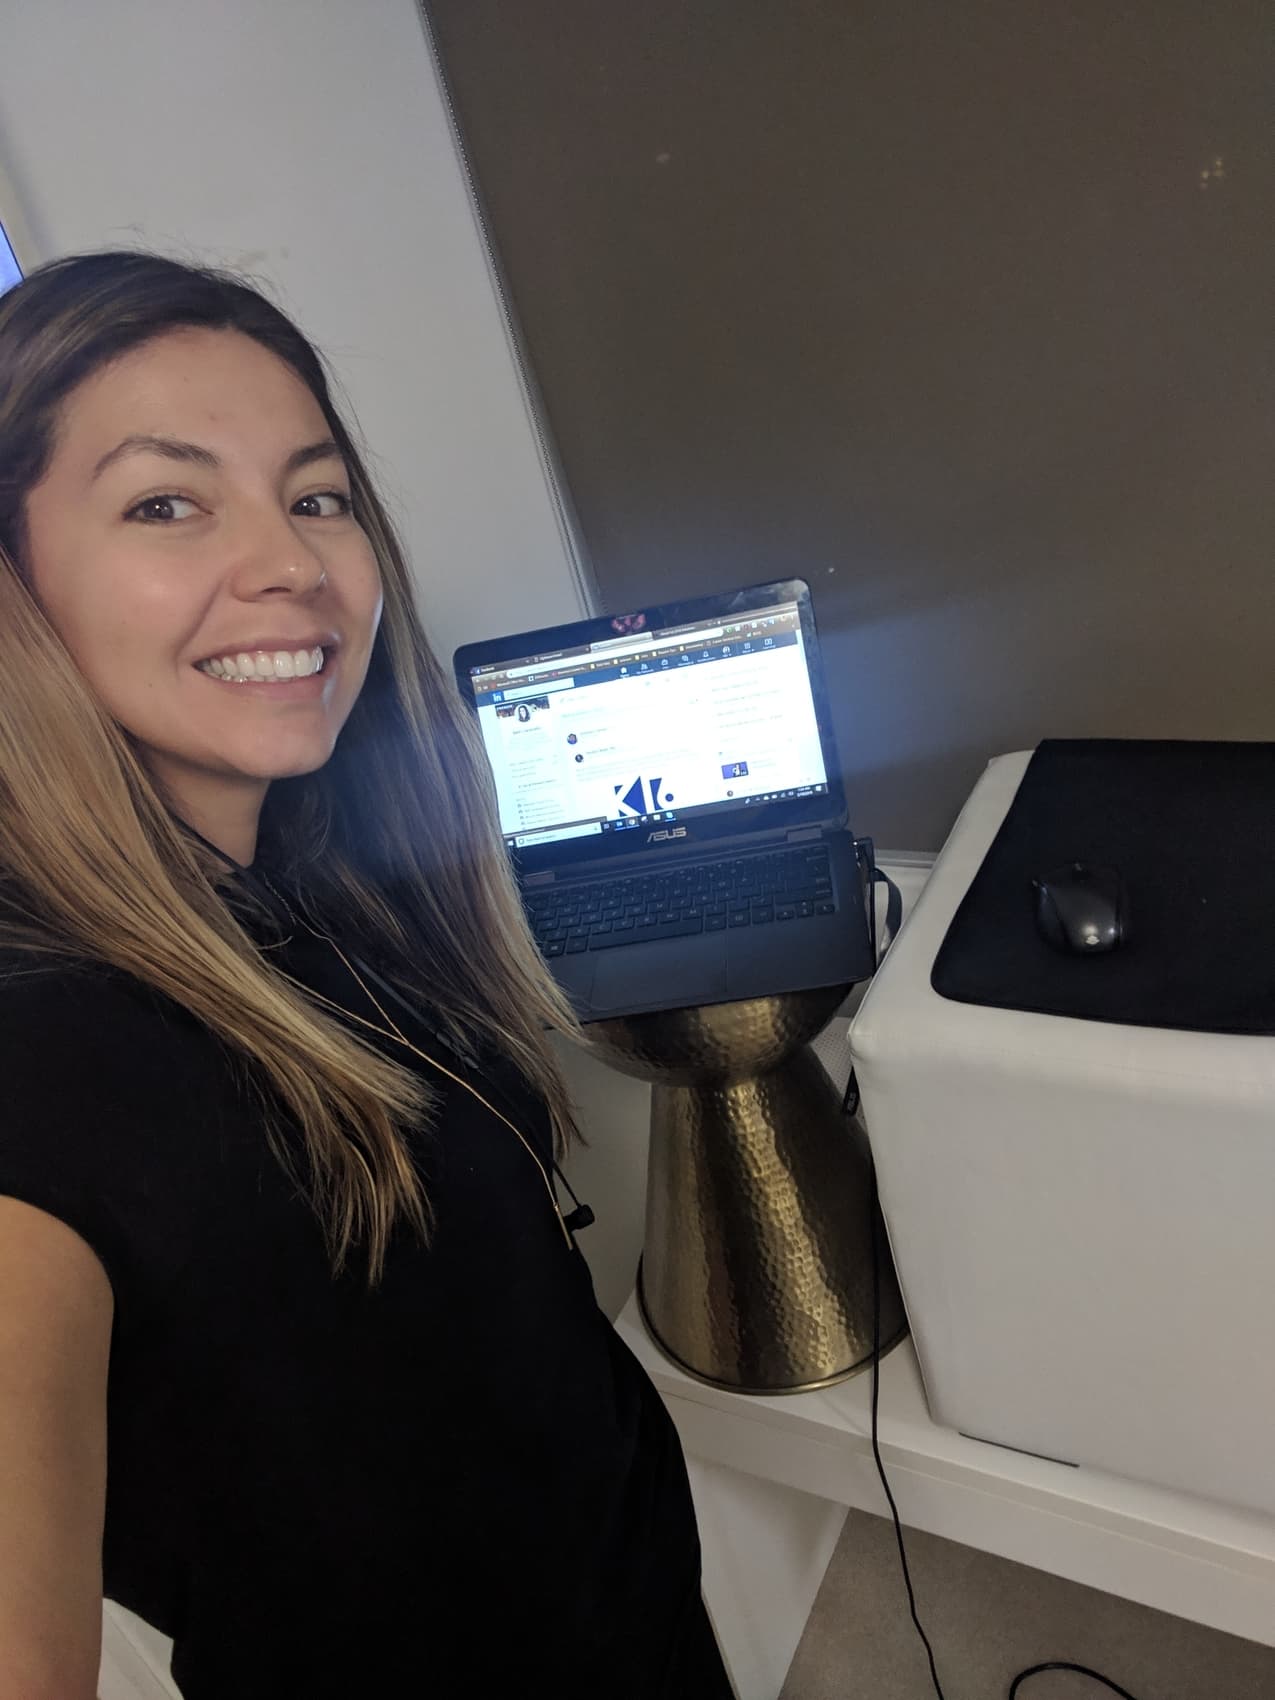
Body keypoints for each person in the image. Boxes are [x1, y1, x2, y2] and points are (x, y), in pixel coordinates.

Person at [0, 252, 733, 1700]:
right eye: (166, 502)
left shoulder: (316, 871)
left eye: (316, 495)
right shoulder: (41, 1050)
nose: (290, 564)